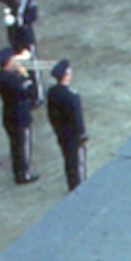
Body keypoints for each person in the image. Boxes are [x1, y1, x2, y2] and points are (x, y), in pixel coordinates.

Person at [0, 47, 40, 185]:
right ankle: (23, 174)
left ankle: (18, 170)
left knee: (15, 145)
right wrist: (25, 75)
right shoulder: (15, 79)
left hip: (8, 114)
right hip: (20, 115)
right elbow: (31, 91)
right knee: (23, 146)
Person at [45, 59, 88, 191]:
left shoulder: (52, 92)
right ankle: (79, 187)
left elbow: (51, 115)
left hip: (61, 132)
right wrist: (82, 134)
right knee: (77, 162)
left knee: (68, 160)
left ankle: (72, 185)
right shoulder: (71, 96)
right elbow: (77, 117)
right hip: (73, 135)